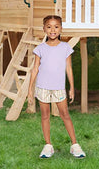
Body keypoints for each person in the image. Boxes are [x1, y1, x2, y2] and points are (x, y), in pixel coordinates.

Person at [28, 15, 86, 159]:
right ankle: (48, 146)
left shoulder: (66, 48)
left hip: (59, 88)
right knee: (45, 116)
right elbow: (35, 69)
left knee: (65, 114)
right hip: (42, 88)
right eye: (49, 27)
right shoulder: (39, 49)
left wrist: (72, 87)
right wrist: (30, 89)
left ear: (61, 29)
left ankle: (75, 145)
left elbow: (69, 69)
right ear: (44, 29)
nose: (52, 30)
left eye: (56, 26)